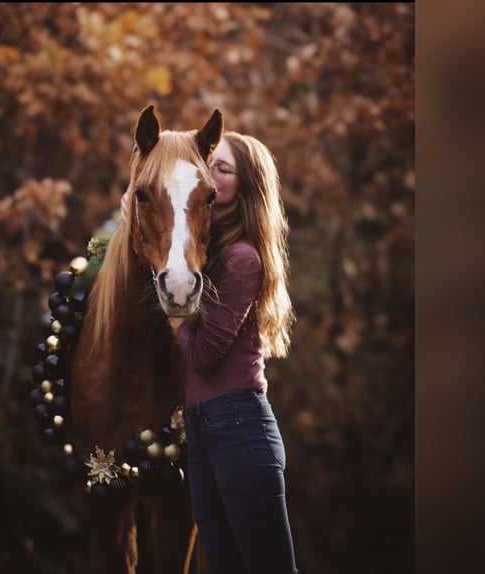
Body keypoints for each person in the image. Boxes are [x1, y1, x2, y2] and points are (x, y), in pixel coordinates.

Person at [122, 131, 298, 574]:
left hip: (239, 427)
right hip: (202, 430)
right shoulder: (207, 247)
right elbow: (171, 219)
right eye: (209, 165)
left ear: (246, 186)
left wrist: (175, 313)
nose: (211, 176)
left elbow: (202, 357)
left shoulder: (241, 259)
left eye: (223, 169)